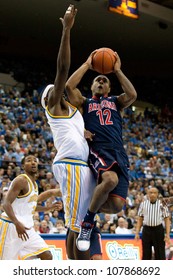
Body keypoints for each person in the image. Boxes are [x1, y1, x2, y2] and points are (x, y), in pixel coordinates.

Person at [40, 4, 100, 260]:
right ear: (49, 100)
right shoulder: (56, 108)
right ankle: (77, 270)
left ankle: (77, 267)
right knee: (76, 225)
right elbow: (63, 70)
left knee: (81, 221)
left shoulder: (74, 115)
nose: (59, 90)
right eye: (54, 90)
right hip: (71, 165)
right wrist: (66, 30)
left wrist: (84, 133)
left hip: (81, 166)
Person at [65, 49, 137, 250]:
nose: (101, 82)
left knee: (116, 206)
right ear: (92, 85)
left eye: (104, 81)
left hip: (118, 152)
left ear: (109, 87)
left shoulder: (116, 102)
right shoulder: (85, 103)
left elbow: (132, 94)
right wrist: (88, 65)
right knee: (110, 179)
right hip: (98, 148)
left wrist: (117, 70)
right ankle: (87, 222)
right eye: (97, 80)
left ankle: (84, 207)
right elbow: (69, 86)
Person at [0, 155, 55, 260]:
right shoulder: (21, 180)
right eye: (29, 161)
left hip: (27, 230)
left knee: (47, 256)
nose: (33, 162)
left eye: (35, 160)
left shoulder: (34, 184)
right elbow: (6, 204)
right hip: (11, 226)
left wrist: (48, 208)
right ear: (23, 166)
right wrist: (17, 223)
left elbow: (30, 207)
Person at [135, 187, 170, 260]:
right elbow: (140, 219)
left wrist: (167, 234)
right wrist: (137, 233)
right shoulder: (143, 204)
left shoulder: (162, 204)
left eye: (154, 193)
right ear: (147, 194)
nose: (152, 194)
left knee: (160, 253)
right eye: (151, 193)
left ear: (157, 194)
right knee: (146, 253)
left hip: (158, 230)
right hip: (146, 230)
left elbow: (167, 219)